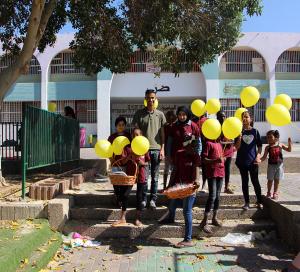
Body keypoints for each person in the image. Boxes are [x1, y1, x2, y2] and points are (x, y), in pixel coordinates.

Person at [160, 106, 201, 248]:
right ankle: (170, 217)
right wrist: (168, 186)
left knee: (187, 210)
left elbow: (196, 163)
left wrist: (196, 181)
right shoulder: (178, 153)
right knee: (172, 198)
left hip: (190, 182)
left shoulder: (194, 153)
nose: (182, 117)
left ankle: (188, 239)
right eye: (180, 114)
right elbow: (175, 169)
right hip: (179, 178)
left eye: (184, 114)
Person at [132, 89, 166, 209]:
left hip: (156, 150)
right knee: (144, 178)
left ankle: (153, 199)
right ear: (145, 99)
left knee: (155, 178)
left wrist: (162, 149)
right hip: (143, 151)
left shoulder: (160, 114)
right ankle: (143, 200)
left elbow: (162, 134)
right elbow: (136, 133)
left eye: (153, 97)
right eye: (148, 97)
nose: (151, 100)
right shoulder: (139, 114)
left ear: (155, 99)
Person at [235, 111, 263, 210]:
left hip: (253, 162)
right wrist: (239, 137)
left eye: (246, 117)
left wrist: (258, 156)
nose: (245, 119)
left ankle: (259, 201)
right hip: (242, 161)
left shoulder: (255, 131)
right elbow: (237, 147)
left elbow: (260, 146)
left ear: (250, 119)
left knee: (255, 181)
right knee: (244, 182)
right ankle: (247, 203)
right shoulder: (238, 131)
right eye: (243, 117)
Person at [199, 137, 225, 233]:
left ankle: (214, 218)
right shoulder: (208, 143)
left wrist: (223, 159)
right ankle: (204, 221)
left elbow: (221, 157)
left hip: (220, 172)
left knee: (217, 196)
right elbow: (204, 159)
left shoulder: (220, 144)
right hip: (212, 173)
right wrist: (215, 161)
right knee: (212, 196)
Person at [127, 128, 151, 226]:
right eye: (134, 135)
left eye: (138, 135)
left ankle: (137, 217)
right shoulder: (129, 148)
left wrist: (143, 163)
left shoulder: (144, 148)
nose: (135, 137)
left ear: (141, 136)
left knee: (139, 196)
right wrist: (130, 156)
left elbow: (148, 162)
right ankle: (122, 214)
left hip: (141, 174)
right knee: (125, 193)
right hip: (130, 174)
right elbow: (124, 161)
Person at [260, 130, 292, 200]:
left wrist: (289, 143)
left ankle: (275, 192)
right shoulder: (267, 147)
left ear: (276, 137)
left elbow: (289, 150)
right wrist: (258, 160)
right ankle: (268, 192)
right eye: (267, 137)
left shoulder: (280, 145)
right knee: (270, 179)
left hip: (279, 166)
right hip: (271, 166)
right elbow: (264, 157)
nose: (268, 139)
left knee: (277, 180)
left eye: (270, 137)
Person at [108, 116, 131, 209]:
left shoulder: (128, 136)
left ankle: (121, 200)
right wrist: (111, 160)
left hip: (125, 163)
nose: (121, 126)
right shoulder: (112, 137)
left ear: (125, 126)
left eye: (122, 125)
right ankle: (118, 198)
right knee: (116, 182)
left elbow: (130, 149)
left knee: (123, 183)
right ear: (115, 126)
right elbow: (108, 150)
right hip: (115, 163)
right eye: (119, 125)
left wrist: (128, 158)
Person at [216, 111, 235, 194]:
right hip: (219, 151)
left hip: (229, 151)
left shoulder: (229, 126)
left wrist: (230, 141)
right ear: (217, 118)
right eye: (220, 116)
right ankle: (217, 187)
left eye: (223, 116)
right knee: (219, 168)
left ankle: (226, 187)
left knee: (227, 169)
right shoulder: (215, 127)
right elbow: (216, 141)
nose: (222, 118)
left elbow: (233, 139)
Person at [163, 110, 177, 189]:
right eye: (169, 117)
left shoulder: (176, 126)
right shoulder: (166, 126)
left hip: (174, 151)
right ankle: (165, 185)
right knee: (166, 169)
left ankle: (170, 185)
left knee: (172, 169)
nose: (171, 118)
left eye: (172, 117)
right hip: (168, 151)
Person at [196, 114, 208, 192]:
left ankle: (203, 185)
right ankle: (198, 185)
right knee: (198, 167)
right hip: (198, 147)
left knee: (204, 168)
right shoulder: (195, 121)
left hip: (205, 146)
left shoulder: (207, 120)